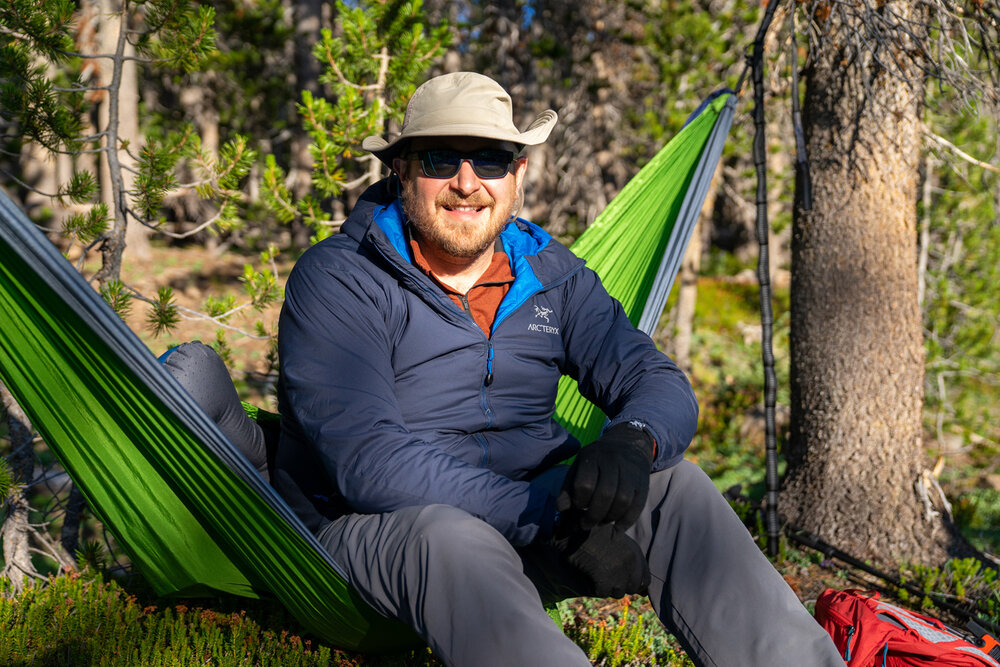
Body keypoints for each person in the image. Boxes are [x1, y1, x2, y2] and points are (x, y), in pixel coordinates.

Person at [266, 71, 843, 666]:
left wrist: (630, 442)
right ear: (404, 170)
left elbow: (655, 379)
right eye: (442, 158)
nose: (467, 184)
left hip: (528, 523)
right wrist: (547, 516)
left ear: (518, 176)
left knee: (677, 490)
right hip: (370, 535)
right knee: (449, 537)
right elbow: (371, 464)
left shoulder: (551, 276)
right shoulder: (341, 279)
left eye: (490, 160)